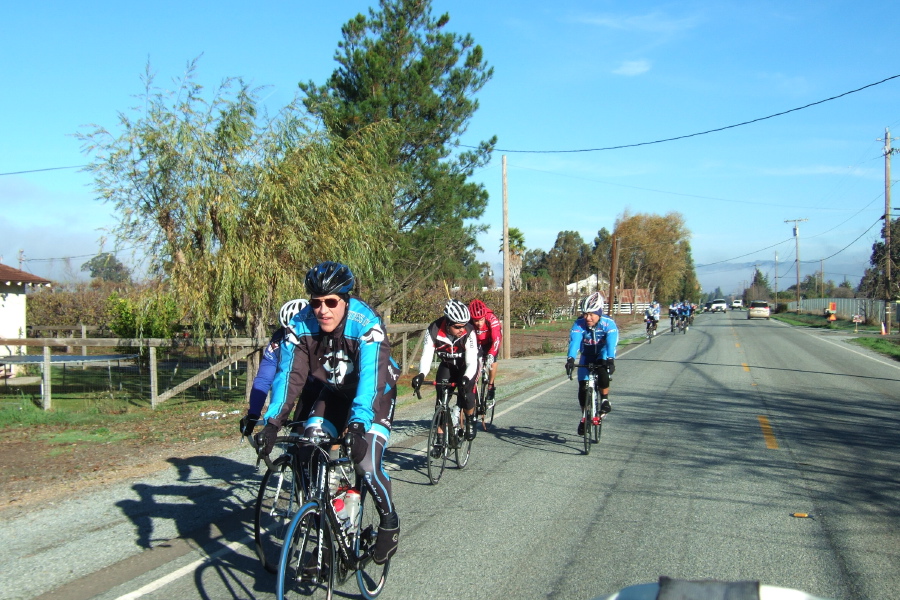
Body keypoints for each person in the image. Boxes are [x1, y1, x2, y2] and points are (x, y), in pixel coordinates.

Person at [257, 261, 400, 565]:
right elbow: (289, 377)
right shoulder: (300, 325)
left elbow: (371, 382)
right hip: (334, 393)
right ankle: (325, 534)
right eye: (316, 302)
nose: (322, 310)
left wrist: (358, 427)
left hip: (375, 395)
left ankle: (390, 521)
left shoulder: (366, 324)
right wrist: (272, 423)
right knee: (309, 447)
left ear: (345, 300)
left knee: (366, 462)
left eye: (331, 302)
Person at [238, 299, 316, 437]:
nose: (292, 339)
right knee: (297, 440)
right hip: (302, 388)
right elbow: (264, 379)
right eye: (288, 331)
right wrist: (253, 413)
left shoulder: (322, 337)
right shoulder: (278, 341)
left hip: (322, 387)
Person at [412, 299, 479, 452]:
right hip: (447, 365)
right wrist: (421, 374)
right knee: (441, 402)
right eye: (457, 327)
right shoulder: (434, 330)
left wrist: (466, 378)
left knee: (467, 394)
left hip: (465, 367)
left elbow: (472, 362)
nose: (461, 329)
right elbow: (427, 356)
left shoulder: (469, 332)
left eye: (464, 325)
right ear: (448, 323)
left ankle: (469, 419)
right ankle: (440, 438)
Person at [565, 292, 618, 435]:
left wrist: (611, 360)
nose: (587, 318)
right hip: (587, 354)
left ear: (599, 313)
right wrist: (570, 359)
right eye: (585, 314)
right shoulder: (579, 323)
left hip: (603, 353)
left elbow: (611, 343)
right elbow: (575, 342)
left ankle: (605, 400)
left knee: (602, 371)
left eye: (591, 314)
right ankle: (585, 416)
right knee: (582, 387)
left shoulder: (608, 323)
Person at [468, 298, 502, 405]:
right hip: (475, 342)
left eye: (481, 320)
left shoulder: (491, 318)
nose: (479, 323)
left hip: (489, 341)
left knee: (493, 361)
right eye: (476, 320)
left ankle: (491, 385)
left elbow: (496, 338)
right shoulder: (468, 319)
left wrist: (491, 355)